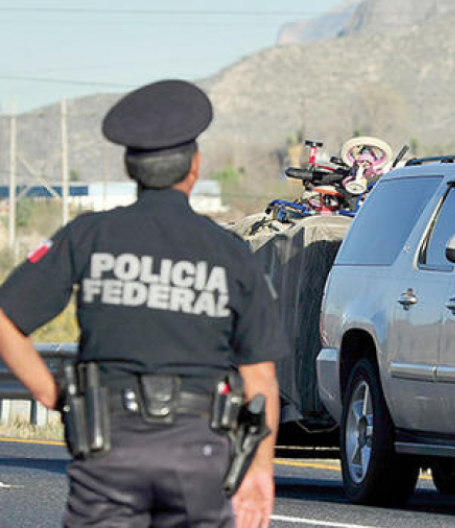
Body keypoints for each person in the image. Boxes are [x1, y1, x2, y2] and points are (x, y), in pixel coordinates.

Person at [0, 80, 287, 527]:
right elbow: (261, 378)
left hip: (109, 443)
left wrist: (48, 392)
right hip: (201, 448)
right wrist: (260, 470)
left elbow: (5, 318)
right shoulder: (229, 253)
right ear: (194, 167)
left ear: (131, 168)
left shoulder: (89, 235)